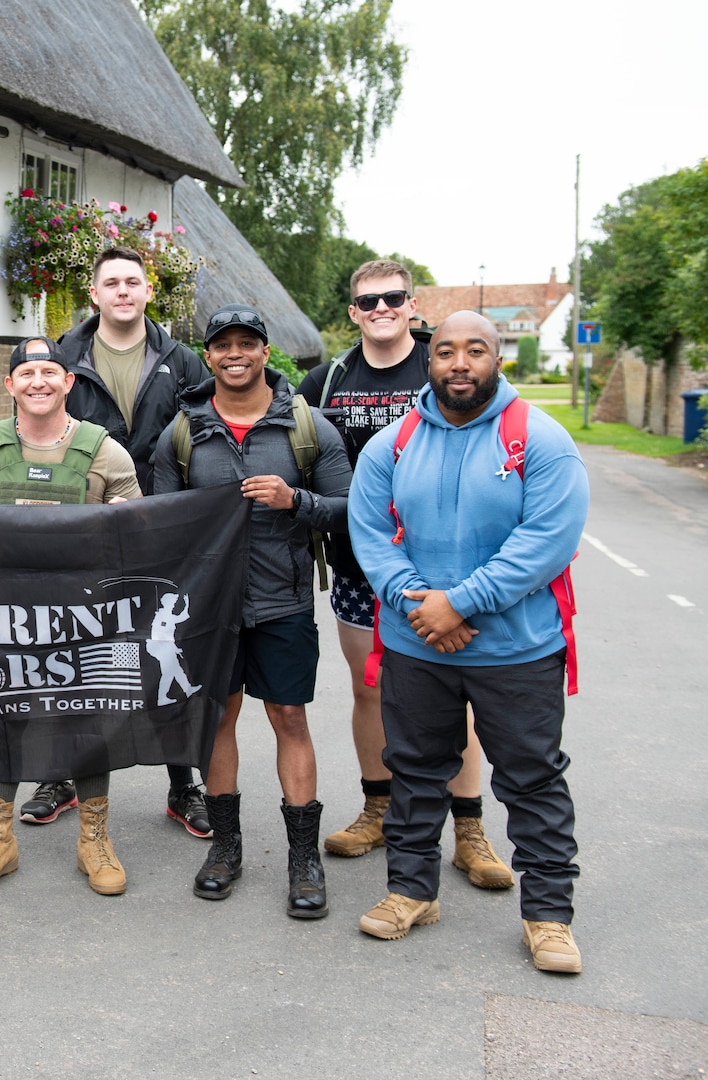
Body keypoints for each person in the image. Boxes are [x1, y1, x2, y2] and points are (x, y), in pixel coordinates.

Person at [349, 311, 588, 973]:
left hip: (517, 650)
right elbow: (369, 536)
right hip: (415, 644)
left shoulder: (540, 440)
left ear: (497, 359)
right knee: (416, 771)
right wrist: (421, 606)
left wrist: (459, 602)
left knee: (532, 780)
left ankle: (548, 915)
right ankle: (410, 892)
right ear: (429, 362)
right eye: (447, 351)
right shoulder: (391, 445)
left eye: (474, 350)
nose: (459, 363)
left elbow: (546, 542)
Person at [298, 260, 510, 889]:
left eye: (393, 298)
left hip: (448, 566)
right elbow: (280, 436)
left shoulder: (442, 364)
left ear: (413, 305)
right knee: (372, 693)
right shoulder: (328, 380)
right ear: (353, 312)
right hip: (361, 565)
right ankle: (378, 809)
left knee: (457, 695)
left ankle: (468, 829)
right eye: (369, 301)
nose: (381, 309)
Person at [151, 303, 353, 918]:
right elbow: (161, 523)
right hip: (210, 608)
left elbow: (350, 508)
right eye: (223, 346)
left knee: (289, 717)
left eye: (247, 344)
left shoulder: (308, 427)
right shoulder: (182, 432)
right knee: (218, 718)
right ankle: (226, 848)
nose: (235, 354)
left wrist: (297, 500)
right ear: (207, 356)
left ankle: (303, 860)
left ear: (266, 352)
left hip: (283, 600)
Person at [0, 336, 139, 895]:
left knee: (89, 717)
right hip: (4, 617)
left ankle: (94, 840)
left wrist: (130, 519)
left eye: (50, 371)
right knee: (1, 719)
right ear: (10, 385)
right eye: (26, 373)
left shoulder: (105, 452)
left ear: (68, 382)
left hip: (86, 619)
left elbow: (140, 536)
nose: (38, 382)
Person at [56, 246, 212, 836]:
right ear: (94, 295)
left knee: (168, 654)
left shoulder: (182, 360)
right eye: (111, 283)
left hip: (162, 529)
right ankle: (63, 775)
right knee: (76, 655)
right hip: (82, 531)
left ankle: (182, 784)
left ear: (149, 293)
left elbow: (207, 436)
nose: (123, 291)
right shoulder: (65, 355)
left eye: (133, 282)